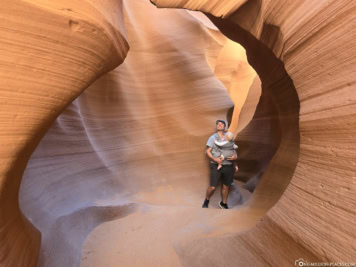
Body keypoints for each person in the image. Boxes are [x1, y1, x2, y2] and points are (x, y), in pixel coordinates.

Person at [202, 120, 238, 209]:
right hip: (215, 165)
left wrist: (235, 162)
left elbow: (232, 151)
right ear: (216, 127)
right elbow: (208, 151)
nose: (219, 125)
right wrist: (216, 160)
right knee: (213, 187)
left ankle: (224, 203)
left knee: (226, 186)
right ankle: (206, 200)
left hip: (229, 165)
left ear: (225, 127)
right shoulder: (213, 138)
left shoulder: (229, 137)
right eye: (218, 124)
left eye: (222, 124)